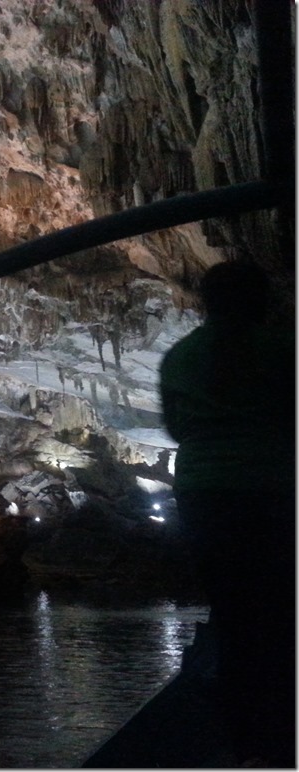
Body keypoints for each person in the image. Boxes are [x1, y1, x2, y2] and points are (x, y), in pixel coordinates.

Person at [159, 260, 295, 765]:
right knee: (280, 600)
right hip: (272, 487)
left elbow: (175, 428)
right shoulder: (282, 348)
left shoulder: (181, 356)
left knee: (231, 600)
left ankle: (238, 713)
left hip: (204, 490)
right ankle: (277, 711)